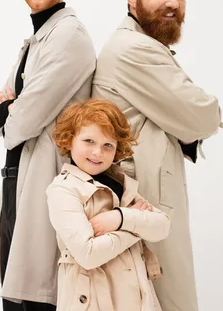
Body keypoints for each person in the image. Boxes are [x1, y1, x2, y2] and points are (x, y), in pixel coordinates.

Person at [91, 0, 223, 311]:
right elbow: (203, 116)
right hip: (142, 201)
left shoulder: (142, 44)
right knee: (166, 300)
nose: (173, 3)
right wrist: (203, 111)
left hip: (144, 197)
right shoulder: (133, 48)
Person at [0, 0, 96, 310]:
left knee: (39, 297)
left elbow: (20, 123)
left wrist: (11, 109)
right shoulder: (35, 40)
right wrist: (8, 109)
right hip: (17, 178)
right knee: (17, 295)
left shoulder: (69, 37)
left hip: (49, 182)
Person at [46, 98, 171, 311]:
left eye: (107, 145)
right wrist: (136, 227)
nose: (97, 152)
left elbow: (162, 226)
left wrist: (120, 218)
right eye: (89, 141)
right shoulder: (63, 190)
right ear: (69, 141)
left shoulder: (120, 183)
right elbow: (88, 254)